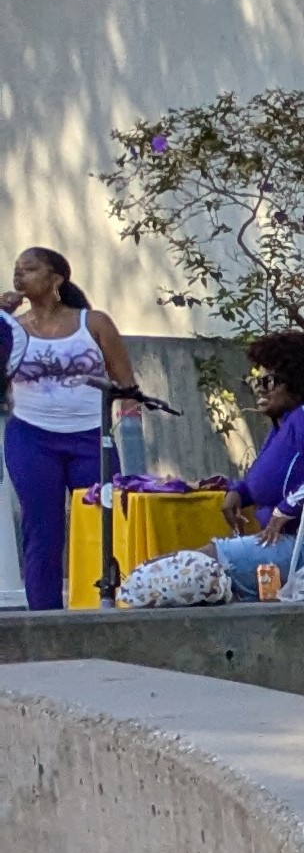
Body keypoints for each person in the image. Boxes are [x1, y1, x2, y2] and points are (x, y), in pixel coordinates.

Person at [4, 247, 139, 611]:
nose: (20, 276)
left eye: (30, 269)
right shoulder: (12, 329)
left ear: (56, 278)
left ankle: (103, 606)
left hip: (91, 436)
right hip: (31, 436)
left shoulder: (92, 323)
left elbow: (127, 385)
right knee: (42, 531)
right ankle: (44, 618)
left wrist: (129, 437)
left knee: (102, 524)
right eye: (17, 270)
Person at [202, 332, 304, 599]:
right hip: (287, 547)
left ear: (297, 383)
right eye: (257, 381)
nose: (260, 388)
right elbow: (264, 481)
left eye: (269, 381)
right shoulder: (283, 427)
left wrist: (287, 507)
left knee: (173, 571)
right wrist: (239, 492)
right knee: (181, 572)